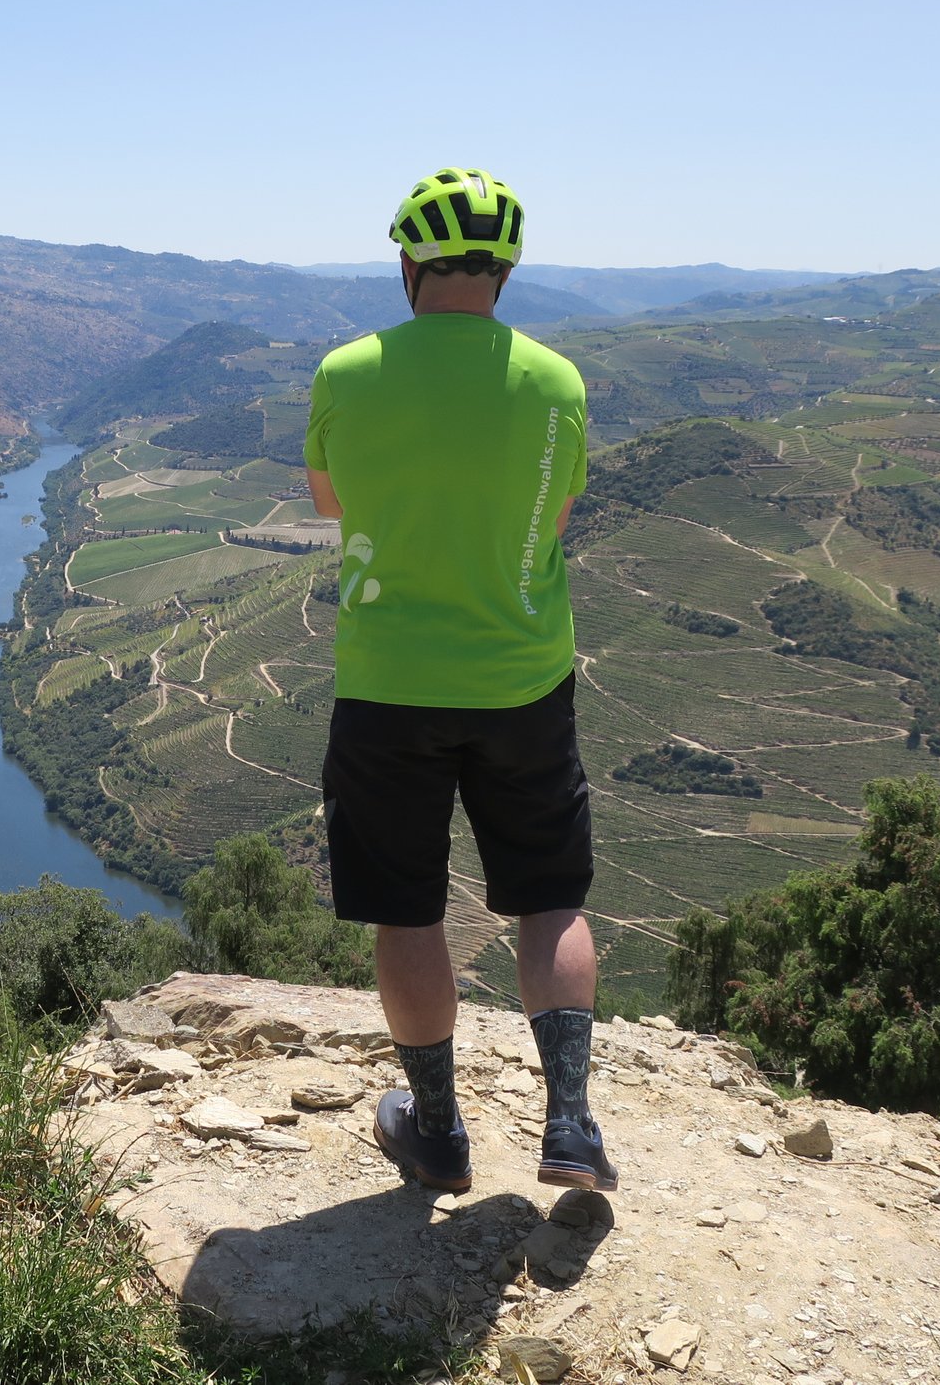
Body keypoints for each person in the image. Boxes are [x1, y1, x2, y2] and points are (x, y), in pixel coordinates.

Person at [303, 168, 615, 1195]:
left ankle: (434, 1132)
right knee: (549, 896)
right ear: (508, 270)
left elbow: (328, 498)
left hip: (388, 682)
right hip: (523, 679)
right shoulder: (557, 380)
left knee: (407, 908)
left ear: (407, 263)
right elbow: (558, 519)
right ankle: (569, 1122)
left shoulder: (345, 371)